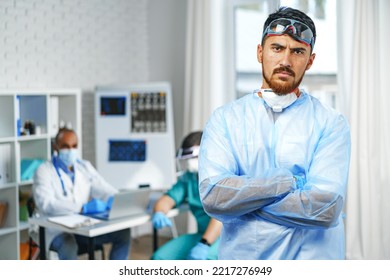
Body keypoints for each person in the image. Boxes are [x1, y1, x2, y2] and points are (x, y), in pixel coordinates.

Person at [198, 7, 351, 260]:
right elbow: (214, 197)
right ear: (260, 52)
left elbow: (326, 208)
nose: (286, 61)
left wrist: (242, 202)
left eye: (298, 51)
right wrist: (287, 183)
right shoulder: (225, 120)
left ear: (310, 60)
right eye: (277, 48)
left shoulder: (330, 123)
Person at [32, 127, 131, 260]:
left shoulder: (84, 167)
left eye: (74, 146)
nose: (70, 150)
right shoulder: (43, 171)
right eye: (65, 146)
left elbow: (102, 188)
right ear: (55, 147)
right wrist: (82, 208)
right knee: (68, 244)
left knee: (123, 233)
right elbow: (47, 204)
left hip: (81, 226)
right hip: (55, 229)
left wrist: (116, 198)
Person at [151, 131, 222, 260]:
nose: (189, 163)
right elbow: (167, 199)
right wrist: (159, 212)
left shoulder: (223, 178)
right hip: (202, 235)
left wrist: (204, 244)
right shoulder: (189, 178)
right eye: (187, 159)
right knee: (159, 258)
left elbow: (221, 217)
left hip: (225, 238)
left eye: (192, 158)